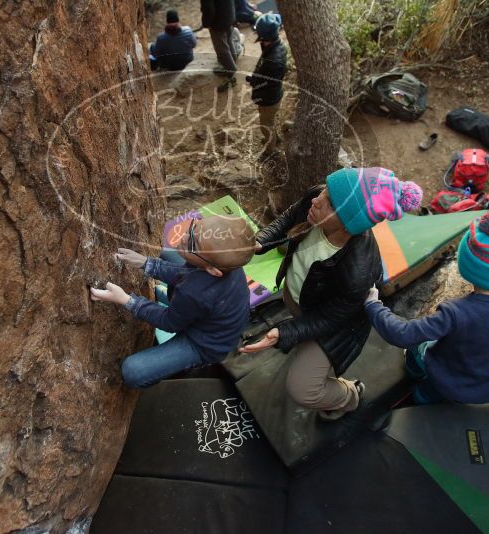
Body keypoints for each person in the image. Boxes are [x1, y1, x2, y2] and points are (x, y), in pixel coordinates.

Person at [240, 168, 423, 420]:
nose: (316, 199)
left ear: (348, 223)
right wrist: (260, 241)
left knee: (303, 389)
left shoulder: (359, 269)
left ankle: (349, 395)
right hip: (301, 299)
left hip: (336, 326)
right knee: (300, 327)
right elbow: (290, 216)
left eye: (328, 203)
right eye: (324, 190)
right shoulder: (319, 199)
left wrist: (284, 332)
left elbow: (329, 319)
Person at [364, 205, 489, 405]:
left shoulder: (455, 313)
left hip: (448, 388)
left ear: (467, 264)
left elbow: (403, 334)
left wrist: (372, 304)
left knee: (419, 348)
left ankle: (419, 397)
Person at [91, 215, 256, 388]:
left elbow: (168, 322)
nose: (185, 237)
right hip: (210, 310)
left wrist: (127, 300)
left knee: (132, 371)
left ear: (213, 271)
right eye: (194, 226)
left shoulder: (194, 292)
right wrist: (147, 263)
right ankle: (177, 303)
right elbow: (186, 273)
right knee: (169, 254)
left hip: (203, 344)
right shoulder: (223, 261)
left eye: (193, 243)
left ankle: (181, 365)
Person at [245, 13, 286, 158]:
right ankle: (276, 139)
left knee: (265, 125)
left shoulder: (273, 61)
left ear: (265, 36)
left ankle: (270, 151)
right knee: (270, 120)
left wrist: (254, 81)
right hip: (275, 94)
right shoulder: (277, 45)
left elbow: (266, 83)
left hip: (268, 99)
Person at [201, 0, 238, 91]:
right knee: (229, 41)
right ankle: (229, 65)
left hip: (218, 22)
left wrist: (207, 23)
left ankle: (230, 75)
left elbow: (208, 9)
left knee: (221, 49)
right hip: (229, 15)